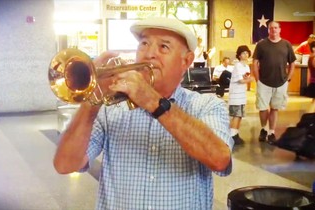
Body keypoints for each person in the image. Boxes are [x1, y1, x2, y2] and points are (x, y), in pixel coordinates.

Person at [53, 17, 233, 210]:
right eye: (144, 43)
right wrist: (91, 101)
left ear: (186, 61)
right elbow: (65, 164)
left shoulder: (207, 105)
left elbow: (220, 160)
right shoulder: (110, 109)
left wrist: (153, 102)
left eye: (163, 47)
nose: (149, 54)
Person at [252, 21, 296, 144]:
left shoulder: (286, 44)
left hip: (281, 82)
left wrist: (289, 77)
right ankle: (264, 129)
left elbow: (292, 63)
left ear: (280, 29)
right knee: (262, 108)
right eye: (271, 28)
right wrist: (257, 79)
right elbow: (254, 62)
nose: (274, 30)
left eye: (276, 28)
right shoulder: (261, 45)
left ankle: (271, 132)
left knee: (275, 108)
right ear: (268, 30)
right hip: (264, 82)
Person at [228, 45, 254, 145]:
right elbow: (241, 80)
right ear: (239, 55)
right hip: (235, 95)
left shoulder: (246, 66)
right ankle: (231, 135)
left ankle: (236, 133)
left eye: (247, 53)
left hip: (242, 95)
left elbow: (245, 77)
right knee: (236, 115)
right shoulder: (237, 65)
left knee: (240, 116)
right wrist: (250, 79)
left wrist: (248, 79)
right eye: (243, 53)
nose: (246, 54)